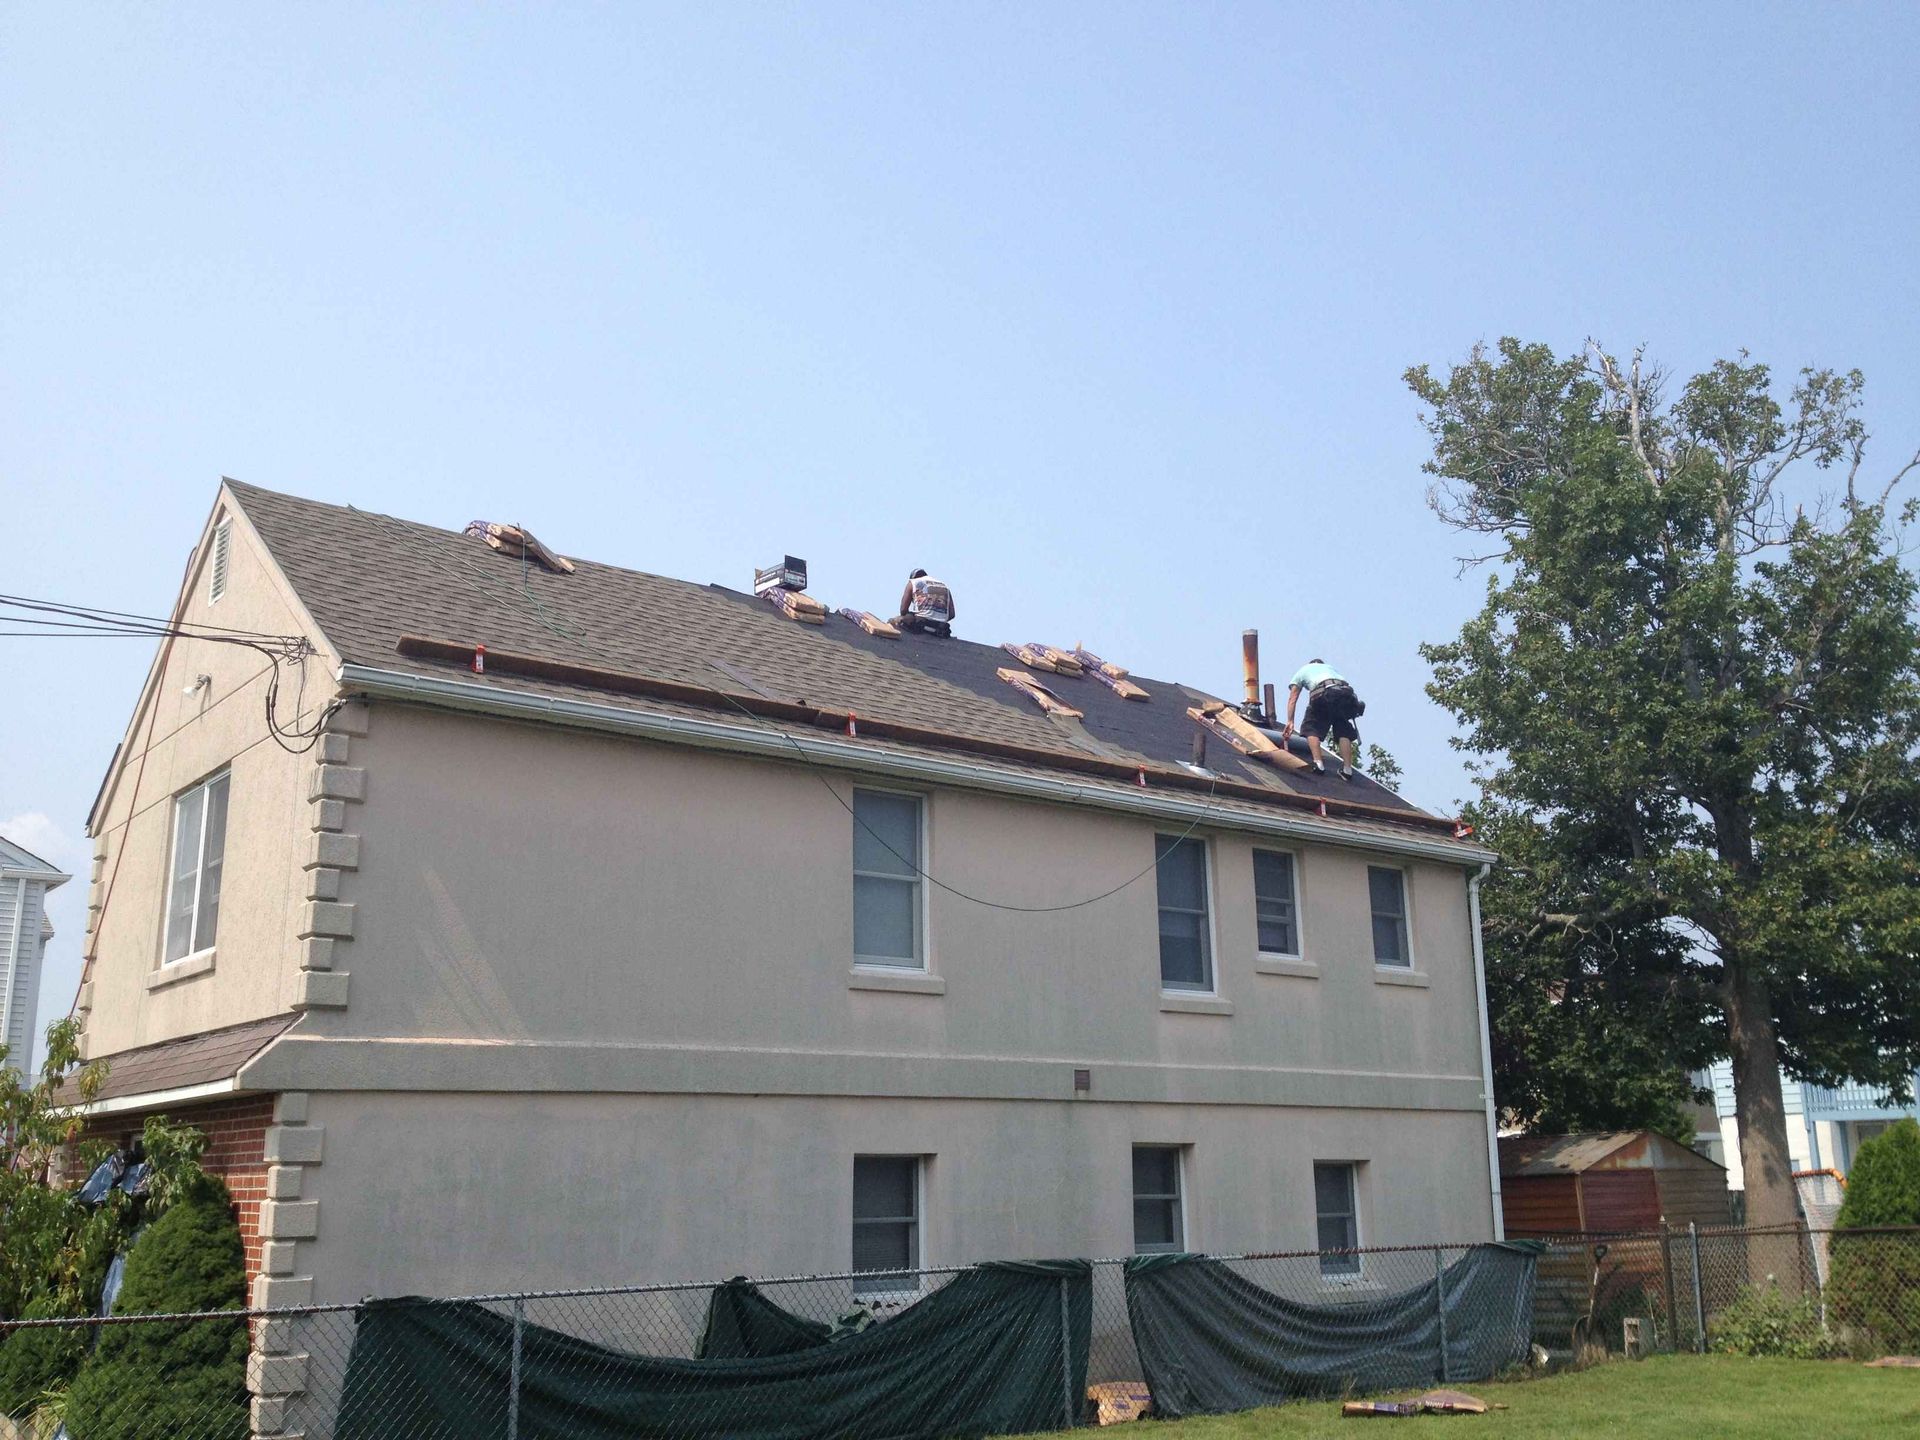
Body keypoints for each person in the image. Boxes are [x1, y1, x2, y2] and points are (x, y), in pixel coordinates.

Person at [1281, 657, 1364, 779]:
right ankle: (1347, 769)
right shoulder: (1330, 668)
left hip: (1325, 694)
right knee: (1343, 729)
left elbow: (1292, 698)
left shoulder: (1304, 670)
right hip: (1346, 695)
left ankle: (1318, 764)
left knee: (1311, 727)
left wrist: (1290, 721)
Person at [896, 568, 956, 636]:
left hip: (921, 622)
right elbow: (951, 614)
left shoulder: (913, 582)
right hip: (941, 626)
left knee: (895, 621)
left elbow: (903, 610)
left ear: (913, 577)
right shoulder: (944, 586)